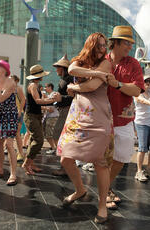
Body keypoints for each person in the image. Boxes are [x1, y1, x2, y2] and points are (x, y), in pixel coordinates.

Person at [57, 32, 114, 224]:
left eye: (105, 45)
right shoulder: (79, 61)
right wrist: (95, 73)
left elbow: (92, 87)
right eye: (99, 45)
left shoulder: (106, 63)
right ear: (90, 45)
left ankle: (102, 205)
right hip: (77, 117)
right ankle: (80, 190)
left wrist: (73, 88)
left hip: (98, 117)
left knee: (101, 163)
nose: (103, 49)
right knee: (65, 158)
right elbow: (72, 70)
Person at [105, 26, 144, 208]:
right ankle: (105, 191)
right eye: (126, 42)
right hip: (101, 118)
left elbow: (137, 89)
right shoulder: (101, 61)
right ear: (116, 42)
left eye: (130, 43)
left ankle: (104, 187)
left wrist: (118, 84)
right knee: (102, 158)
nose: (129, 46)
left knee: (122, 158)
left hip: (124, 119)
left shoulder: (133, 63)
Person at [0, 60, 18, 186]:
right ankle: (0, 170)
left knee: (9, 144)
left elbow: (0, 98)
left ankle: (13, 174)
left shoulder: (10, 81)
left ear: (6, 70)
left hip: (10, 115)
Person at [22, 64, 55, 175]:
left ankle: (31, 163)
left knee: (33, 140)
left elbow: (38, 102)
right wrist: (52, 100)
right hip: (31, 116)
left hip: (36, 115)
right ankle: (26, 164)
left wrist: (48, 102)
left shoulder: (35, 85)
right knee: (39, 141)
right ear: (39, 76)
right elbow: (37, 100)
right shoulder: (33, 86)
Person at [51, 54, 74, 176]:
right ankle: (66, 164)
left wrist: (60, 98)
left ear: (63, 68)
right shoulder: (63, 80)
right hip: (63, 110)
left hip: (67, 110)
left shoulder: (70, 79)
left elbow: (74, 96)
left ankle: (66, 165)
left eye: (58, 68)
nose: (56, 70)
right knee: (59, 137)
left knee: (58, 135)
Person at [11, 75, 26, 162]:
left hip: (17, 113)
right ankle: (14, 151)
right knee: (10, 134)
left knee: (17, 134)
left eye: (12, 79)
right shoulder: (7, 88)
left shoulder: (18, 88)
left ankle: (20, 153)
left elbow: (23, 100)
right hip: (10, 113)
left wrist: (20, 111)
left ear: (16, 81)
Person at [43, 83, 59, 154]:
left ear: (50, 87)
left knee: (50, 134)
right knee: (48, 134)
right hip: (49, 117)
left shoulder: (53, 94)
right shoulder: (49, 95)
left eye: (46, 87)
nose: (44, 88)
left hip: (53, 117)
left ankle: (55, 148)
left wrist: (43, 106)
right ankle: (54, 148)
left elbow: (52, 107)